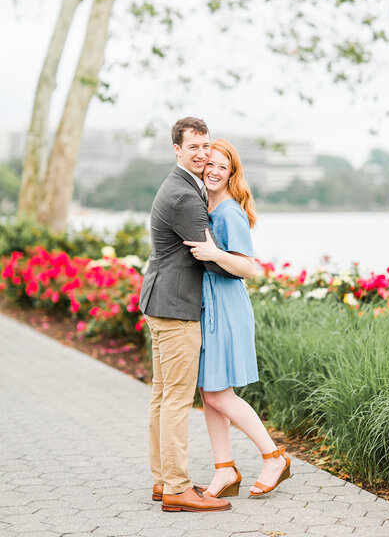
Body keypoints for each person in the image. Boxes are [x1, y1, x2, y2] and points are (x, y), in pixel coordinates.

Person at [139, 118, 238, 512]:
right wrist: (244, 263)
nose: (202, 154)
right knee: (176, 399)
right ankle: (178, 488)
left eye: (206, 146)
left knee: (163, 396)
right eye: (193, 147)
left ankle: (164, 481)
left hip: (161, 302)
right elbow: (211, 260)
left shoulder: (179, 186)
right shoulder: (185, 196)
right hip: (177, 307)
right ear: (176, 149)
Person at [183, 139, 291, 498]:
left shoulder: (229, 211)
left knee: (219, 392)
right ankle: (225, 469)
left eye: (222, 168)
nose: (213, 171)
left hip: (226, 308)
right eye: (209, 164)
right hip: (208, 305)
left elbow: (249, 267)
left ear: (232, 174)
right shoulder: (204, 204)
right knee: (208, 392)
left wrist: (214, 252)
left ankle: (274, 457)